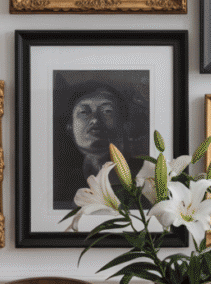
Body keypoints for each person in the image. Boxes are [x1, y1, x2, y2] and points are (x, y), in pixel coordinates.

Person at [53, 77, 148, 209]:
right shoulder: (59, 184)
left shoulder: (145, 178)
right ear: (70, 128)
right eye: (84, 112)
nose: (95, 120)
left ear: (125, 125)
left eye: (107, 111)